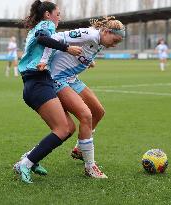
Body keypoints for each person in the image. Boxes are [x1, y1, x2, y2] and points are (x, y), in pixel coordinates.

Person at [19, 16, 125, 179]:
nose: (114, 44)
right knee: (85, 115)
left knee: (98, 112)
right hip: (57, 78)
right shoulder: (88, 34)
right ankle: (90, 167)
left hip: (71, 78)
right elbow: (53, 38)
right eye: (114, 40)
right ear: (106, 31)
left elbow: (83, 52)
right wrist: (44, 60)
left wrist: (87, 61)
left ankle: (79, 149)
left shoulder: (100, 41)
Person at [13, 0, 82, 184]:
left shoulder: (39, 27)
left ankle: (31, 157)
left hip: (39, 82)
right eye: (57, 14)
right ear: (47, 14)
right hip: (37, 82)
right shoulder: (46, 25)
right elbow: (43, 39)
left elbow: (48, 45)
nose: (59, 18)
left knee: (69, 128)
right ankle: (25, 164)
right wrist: (68, 49)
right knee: (62, 128)